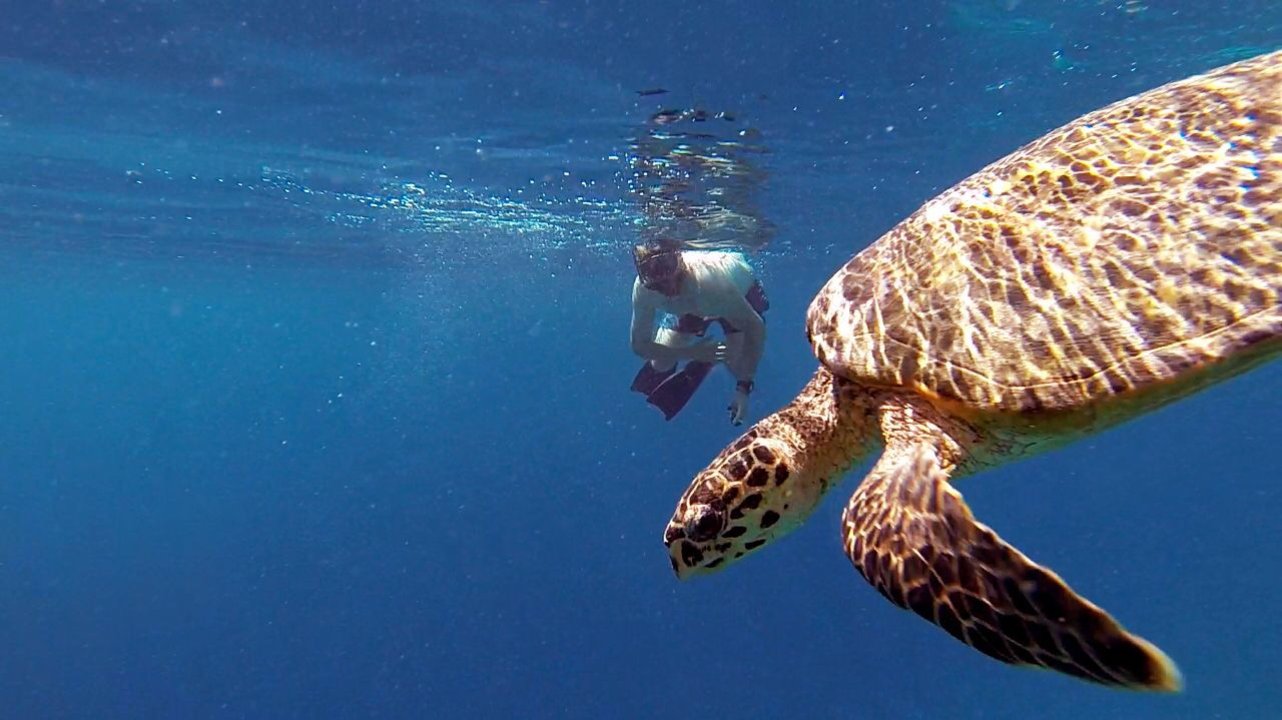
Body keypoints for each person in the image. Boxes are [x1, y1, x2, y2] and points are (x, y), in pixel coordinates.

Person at [629, 243, 768, 425]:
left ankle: (716, 357)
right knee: (660, 363)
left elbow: (756, 327)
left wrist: (744, 387)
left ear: (680, 261)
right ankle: (708, 357)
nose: (670, 289)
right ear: (644, 278)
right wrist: (692, 353)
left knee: (737, 366)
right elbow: (639, 346)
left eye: (671, 275)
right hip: (695, 306)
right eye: (658, 284)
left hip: (736, 297)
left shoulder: (711, 284)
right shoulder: (643, 290)